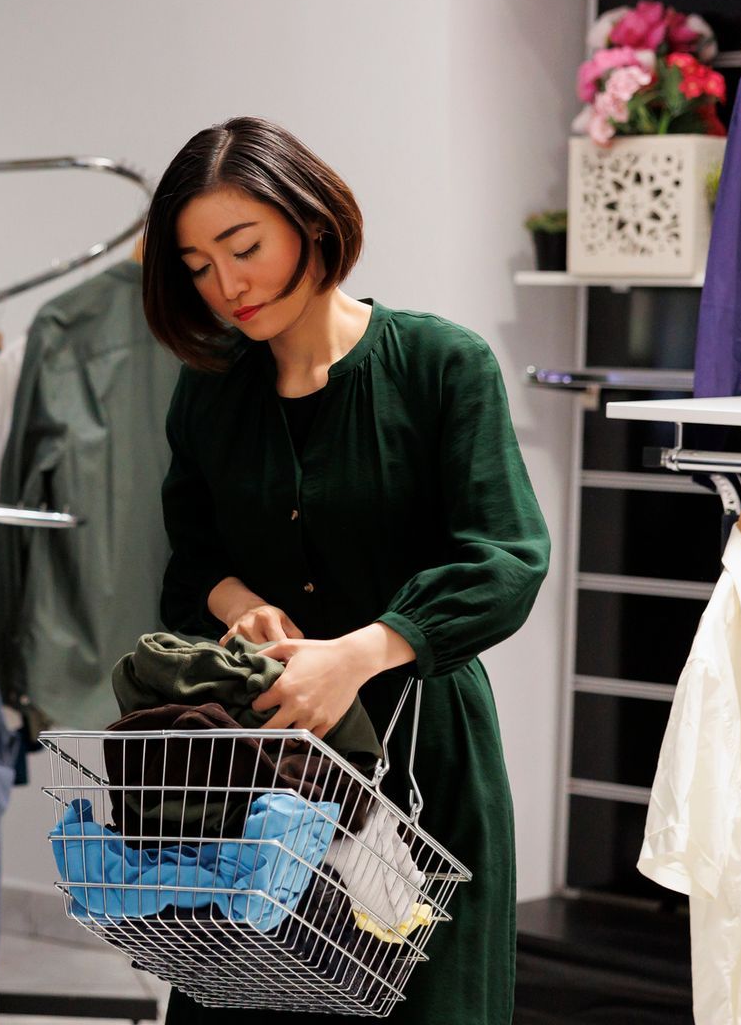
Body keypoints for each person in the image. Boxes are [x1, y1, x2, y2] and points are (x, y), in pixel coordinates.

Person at [144, 116, 549, 1023]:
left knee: (423, 997)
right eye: (199, 265)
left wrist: (362, 652)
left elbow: (506, 557)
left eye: (242, 247)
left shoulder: (443, 365)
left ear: (312, 222)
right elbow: (192, 564)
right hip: (263, 771)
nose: (226, 284)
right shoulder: (209, 393)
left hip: (421, 766)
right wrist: (241, 604)